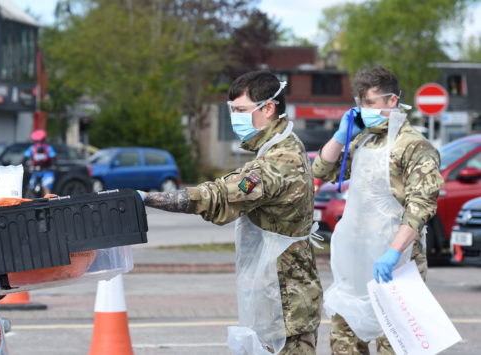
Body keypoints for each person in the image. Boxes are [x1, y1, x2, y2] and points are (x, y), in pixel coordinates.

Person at [139, 70, 323, 354]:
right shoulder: (282, 145)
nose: (235, 118)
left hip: (285, 306)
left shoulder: (277, 162)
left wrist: (148, 198)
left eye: (241, 110)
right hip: (281, 299)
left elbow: (219, 196)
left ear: (268, 108)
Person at [312, 66, 444, 354]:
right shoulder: (363, 139)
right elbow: (322, 169)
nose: (363, 110)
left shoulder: (415, 147)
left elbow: (421, 206)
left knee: (395, 345)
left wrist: (393, 252)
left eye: (370, 103)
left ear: (392, 101)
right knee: (345, 343)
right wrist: (341, 136)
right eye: (360, 104)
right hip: (356, 261)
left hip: (396, 263)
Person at [24, 129, 56, 196]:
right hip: (35, 172)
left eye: (40, 141)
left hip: (47, 171)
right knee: (31, 186)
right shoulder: (32, 148)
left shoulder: (48, 148)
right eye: (37, 141)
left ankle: (48, 201)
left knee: (46, 186)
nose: (39, 143)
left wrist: (53, 165)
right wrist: (22, 165)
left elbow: (53, 158)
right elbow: (25, 157)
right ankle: (32, 201)